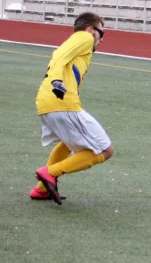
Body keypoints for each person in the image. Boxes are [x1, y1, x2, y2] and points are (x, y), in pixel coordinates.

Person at [31, 13, 113, 205]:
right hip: (61, 101)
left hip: (47, 102)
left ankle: (42, 189)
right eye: (102, 32)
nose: (102, 39)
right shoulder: (85, 37)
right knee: (105, 150)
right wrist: (57, 81)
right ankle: (49, 173)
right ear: (91, 30)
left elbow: (60, 57)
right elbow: (58, 56)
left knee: (69, 143)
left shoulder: (78, 45)